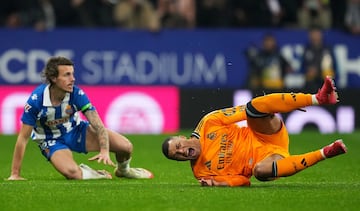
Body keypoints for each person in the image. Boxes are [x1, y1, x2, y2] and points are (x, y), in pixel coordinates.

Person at [162, 76, 347, 187]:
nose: (180, 152)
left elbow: (246, 110)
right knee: (259, 171)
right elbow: (244, 181)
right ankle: (326, 152)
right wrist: (218, 184)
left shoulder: (209, 122)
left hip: (266, 133)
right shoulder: (200, 172)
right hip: (268, 161)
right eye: (176, 155)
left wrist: (271, 108)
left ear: (181, 137)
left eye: (178, 146)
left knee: (253, 107)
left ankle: (317, 98)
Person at [8, 56, 153, 180]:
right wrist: (15, 174)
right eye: (67, 75)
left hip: (76, 131)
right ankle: (97, 174)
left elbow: (98, 125)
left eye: (72, 74)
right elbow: (23, 138)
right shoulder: (36, 101)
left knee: (126, 147)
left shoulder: (76, 94)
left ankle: (124, 171)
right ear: (53, 78)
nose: (73, 79)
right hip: (50, 140)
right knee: (72, 173)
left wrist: (104, 150)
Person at [301, 26, 336, 92]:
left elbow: (335, 67)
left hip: (325, 83)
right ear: (309, 35)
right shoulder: (307, 49)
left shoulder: (328, 49)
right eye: (313, 34)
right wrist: (307, 71)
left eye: (317, 34)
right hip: (310, 85)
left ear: (321, 35)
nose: (315, 36)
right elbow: (302, 68)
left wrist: (322, 72)